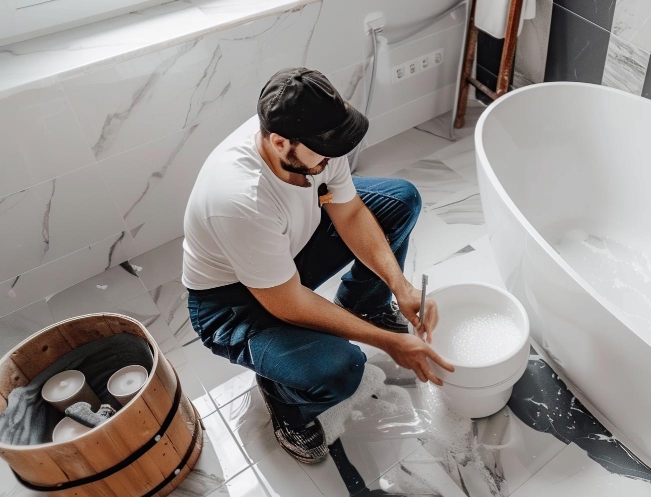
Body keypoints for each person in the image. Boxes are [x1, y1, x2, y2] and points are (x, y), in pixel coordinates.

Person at [182, 67, 454, 464]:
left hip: (286, 252)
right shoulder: (240, 199)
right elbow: (288, 302)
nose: (334, 160)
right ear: (278, 142)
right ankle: (286, 401)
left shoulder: (316, 141)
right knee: (341, 369)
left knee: (399, 200)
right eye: (324, 154)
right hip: (231, 302)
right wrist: (389, 342)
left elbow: (351, 215)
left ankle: (365, 303)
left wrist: (401, 286)